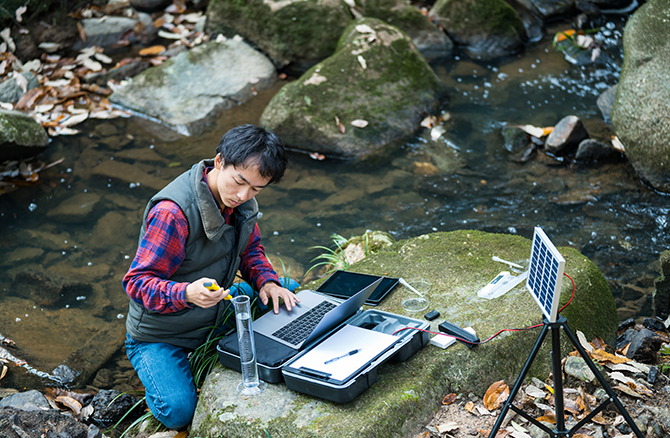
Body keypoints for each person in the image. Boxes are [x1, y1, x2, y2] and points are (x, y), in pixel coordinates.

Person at [122, 124, 299, 429]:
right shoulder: (173, 214)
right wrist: (186, 293)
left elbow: (251, 249)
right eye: (239, 182)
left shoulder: (241, 202)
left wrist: (267, 281)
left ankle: (215, 347)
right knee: (178, 412)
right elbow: (137, 283)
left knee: (288, 291)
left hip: (213, 312)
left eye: (256, 189)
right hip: (161, 334)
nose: (243, 195)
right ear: (219, 162)